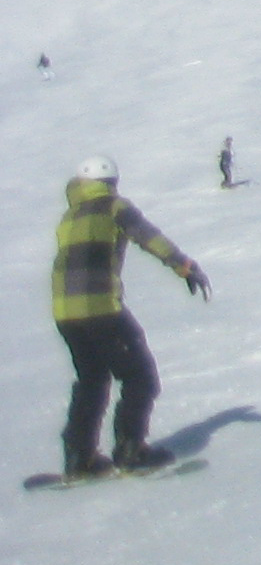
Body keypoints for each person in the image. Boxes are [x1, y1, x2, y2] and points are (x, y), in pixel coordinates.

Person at [50, 157, 208, 479]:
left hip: (66, 313)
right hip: (100, 308)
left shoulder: (70, 215)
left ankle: (80, 457)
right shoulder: (113, 206)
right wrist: (184, 266)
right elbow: (147, 236)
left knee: (92, 380)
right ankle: (131, 451)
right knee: (140, 376)